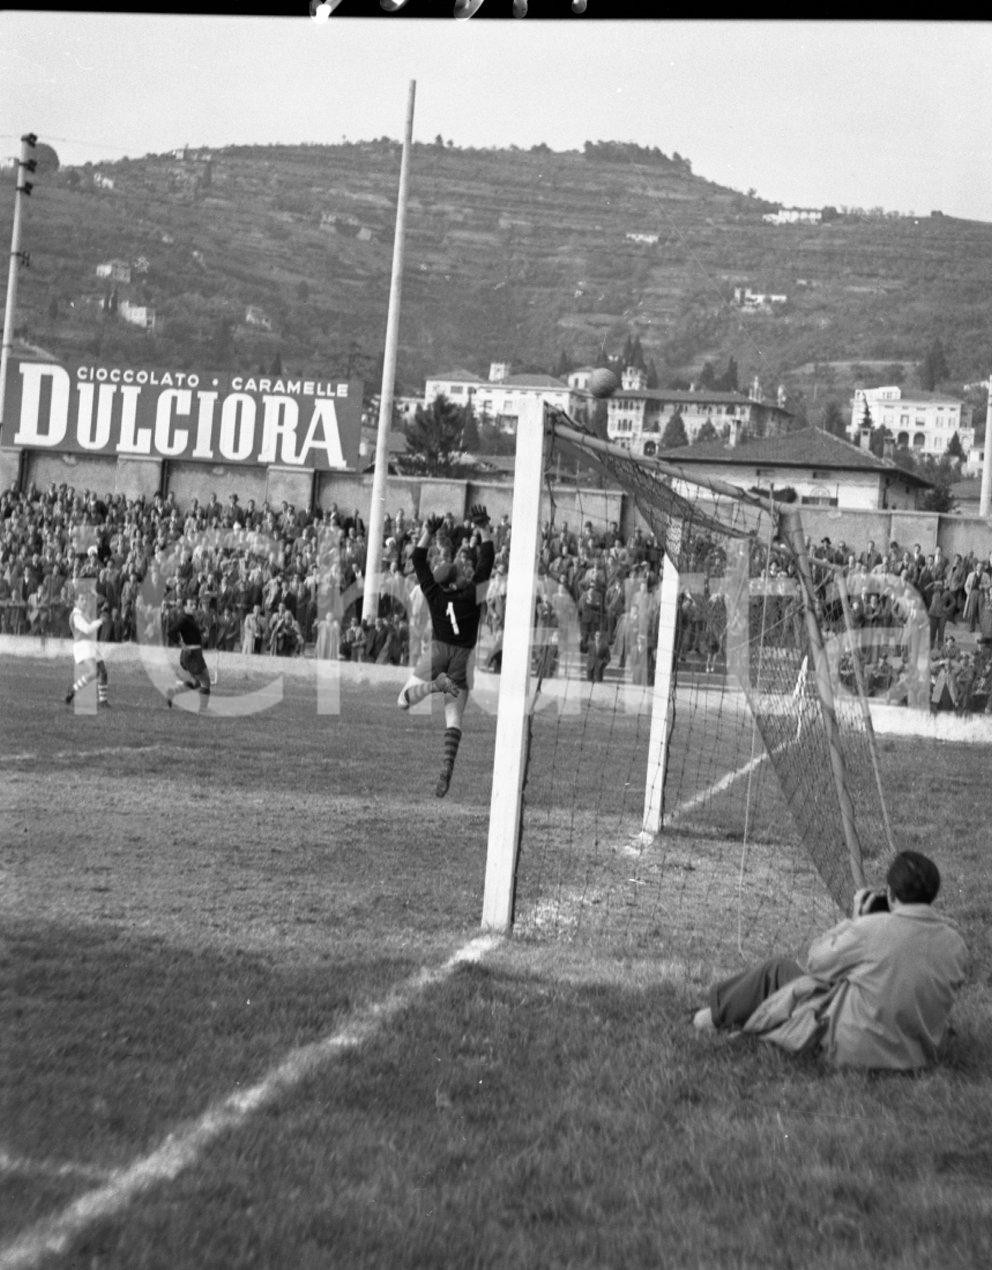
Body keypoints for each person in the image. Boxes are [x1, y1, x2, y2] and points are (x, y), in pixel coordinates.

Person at [692, 850, 968, 1071]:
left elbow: (816, 963)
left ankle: (709, 1017)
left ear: (891, 894)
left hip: (851, 1050)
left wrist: (854, 922)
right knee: (794, 976)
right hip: (916, 1057)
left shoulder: (872, 929)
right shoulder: (955, 943)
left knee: (777, 969)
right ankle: (719, 1012)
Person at [397, 504, 494, 798]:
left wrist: (428, 532)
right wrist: (483, 528)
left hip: (438, 651)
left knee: (402, 702)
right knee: (453, 718)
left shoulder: (434, 593)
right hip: (463, 658)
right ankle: (447, 764)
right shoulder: (472, 594)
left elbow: (417, 558)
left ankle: (432, 686)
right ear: (458, 577)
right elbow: (487, 560)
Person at [65, 583, 110, 708]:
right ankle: (73, 689)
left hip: (91, 645)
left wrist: (101, 611)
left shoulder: (83, 613)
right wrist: (101, 620)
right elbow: (87, 629)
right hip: (82, 646)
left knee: (103, 672)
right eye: (82, 599)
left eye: (85, 599)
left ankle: (103, 701)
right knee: (94, 672)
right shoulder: (75, 615)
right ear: (75, 602)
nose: (85, 602)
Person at [165, 595, 211, 709]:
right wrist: (182, 645)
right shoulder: (183, 619)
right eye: (191, 604)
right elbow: (171, 632)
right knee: (205, 680)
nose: (194, 606)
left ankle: (172, 693)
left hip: (195, 653)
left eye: (195, 604)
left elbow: (191, 631)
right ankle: (203, 709)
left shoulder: (190, 618)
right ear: (185, 607)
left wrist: (203, 630)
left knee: (196, 682)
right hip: (192, 654)